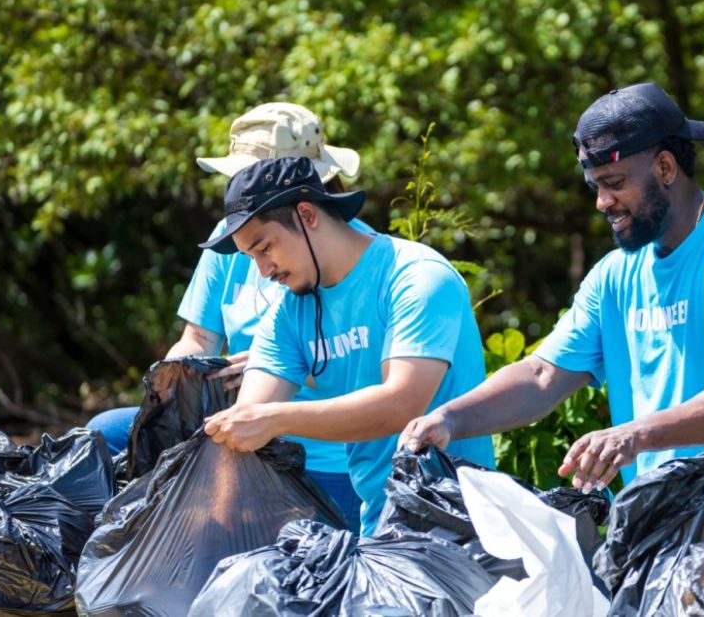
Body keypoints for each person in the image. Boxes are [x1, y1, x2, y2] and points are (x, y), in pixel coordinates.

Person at [400, 83, 704, 573]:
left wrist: (634, 435)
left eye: (614, 182)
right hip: (672, 522)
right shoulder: (615, 275)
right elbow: (542, 377)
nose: (602, 201)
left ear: (664, 168)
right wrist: (448, 419)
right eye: (595, 185)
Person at [87, 103, 366, 530]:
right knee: (106, 434)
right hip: (229, 421)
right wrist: (176, 380)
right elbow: (198, 337)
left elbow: (359, 369)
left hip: (316, 447)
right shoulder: (234, 242)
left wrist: (274, 367)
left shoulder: (345, 256)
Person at [197, 155, 495, 536]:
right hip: (380, 528)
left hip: (460, 523)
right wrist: (212, 528)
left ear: (307, 215)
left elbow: (401, 405)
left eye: (265, 248)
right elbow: (247, 416)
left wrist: (274, 419)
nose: (263, 271)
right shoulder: (292, 313)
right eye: (252, 257)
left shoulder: (416, 278)